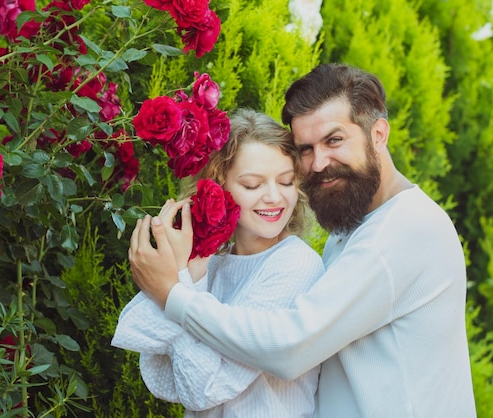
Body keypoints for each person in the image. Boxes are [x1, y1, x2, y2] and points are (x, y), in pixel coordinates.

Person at [127, 64, 477, 417]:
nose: (319, 162)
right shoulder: (351, 232)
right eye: (306, 149)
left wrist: (173, 295)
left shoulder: (404, 230)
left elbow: (291, 347)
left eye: (334, 140)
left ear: (378, 133)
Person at [112, 109, 325, 417]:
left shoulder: (295, 265)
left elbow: (204, 389)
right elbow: (164, 377)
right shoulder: (213, 260)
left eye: (287, 181)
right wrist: (191, 272)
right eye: (253, 185)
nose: (275, 197)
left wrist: (172, 290)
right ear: (218, 184)